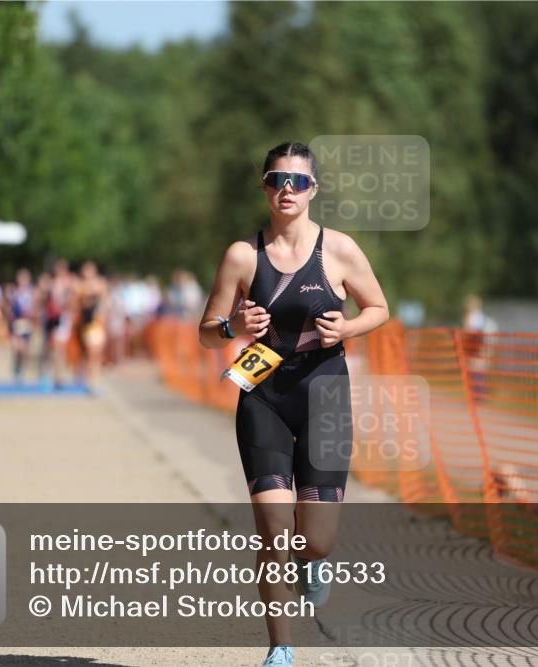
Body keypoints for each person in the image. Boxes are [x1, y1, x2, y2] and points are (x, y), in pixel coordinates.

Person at [198, 142, 389, 667]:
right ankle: (281, 648)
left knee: (317, 541)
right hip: (263, 396)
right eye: (277, 179)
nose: (287, 189)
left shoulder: (340, 250)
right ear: (264, 186)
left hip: (325, 393)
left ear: (313, 191)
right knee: (274, 533)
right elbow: (207, 334)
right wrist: (231, 328)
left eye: (298, 181)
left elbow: (379, 307)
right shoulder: (243, 255)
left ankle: (316, 562)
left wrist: (347, 327)